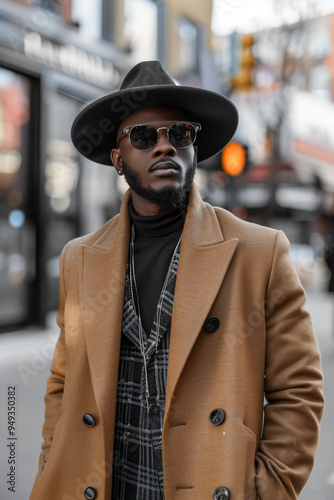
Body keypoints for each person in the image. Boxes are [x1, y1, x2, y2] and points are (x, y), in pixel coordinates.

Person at [30, 61, 324, 500]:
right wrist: (52, 464)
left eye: (180, 134)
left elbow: (298, 391)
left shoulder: (259, 253)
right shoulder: (79, 258)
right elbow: (63, 382)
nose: (164, 147)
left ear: (194, 148)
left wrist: (266, 490)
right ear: (118, 158)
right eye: (145, 137)